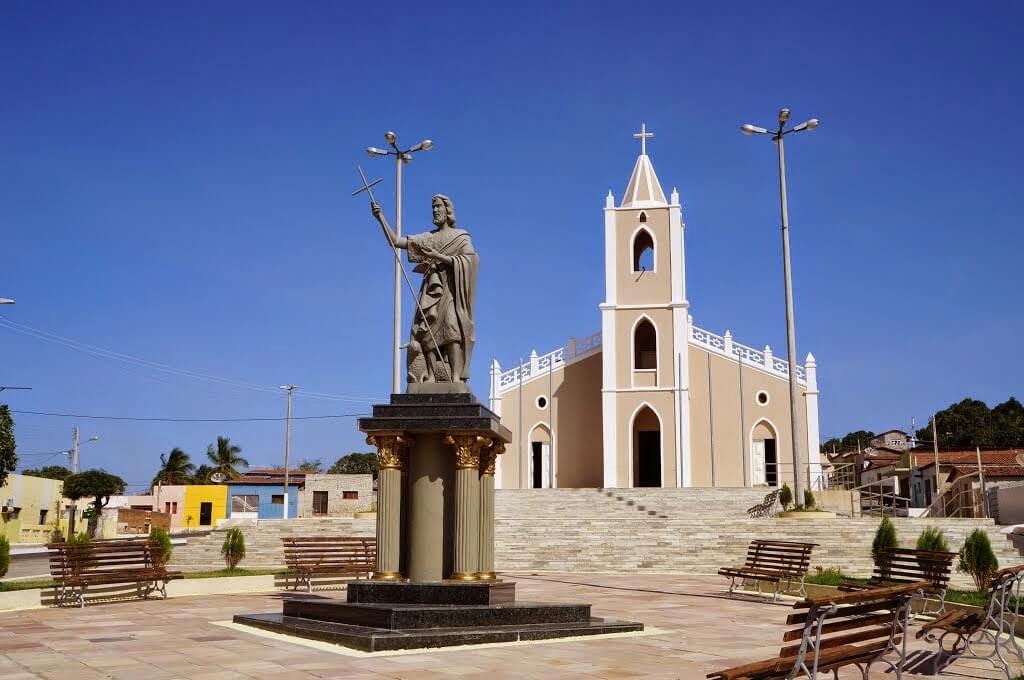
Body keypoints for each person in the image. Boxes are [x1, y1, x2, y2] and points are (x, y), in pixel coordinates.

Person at [371, 194, 478, 386]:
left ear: (448, 210)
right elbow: (397, 241)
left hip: (450, 292)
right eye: (433, 208)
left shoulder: (460, 236)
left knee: (451, 329)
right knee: (427, 331)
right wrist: (380, 218)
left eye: (438, 207)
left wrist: (441, 257)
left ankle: (454, 378)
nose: (435, 210)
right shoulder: (428, 238)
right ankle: (429, 375)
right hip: (430, 292)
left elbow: (470, 260)